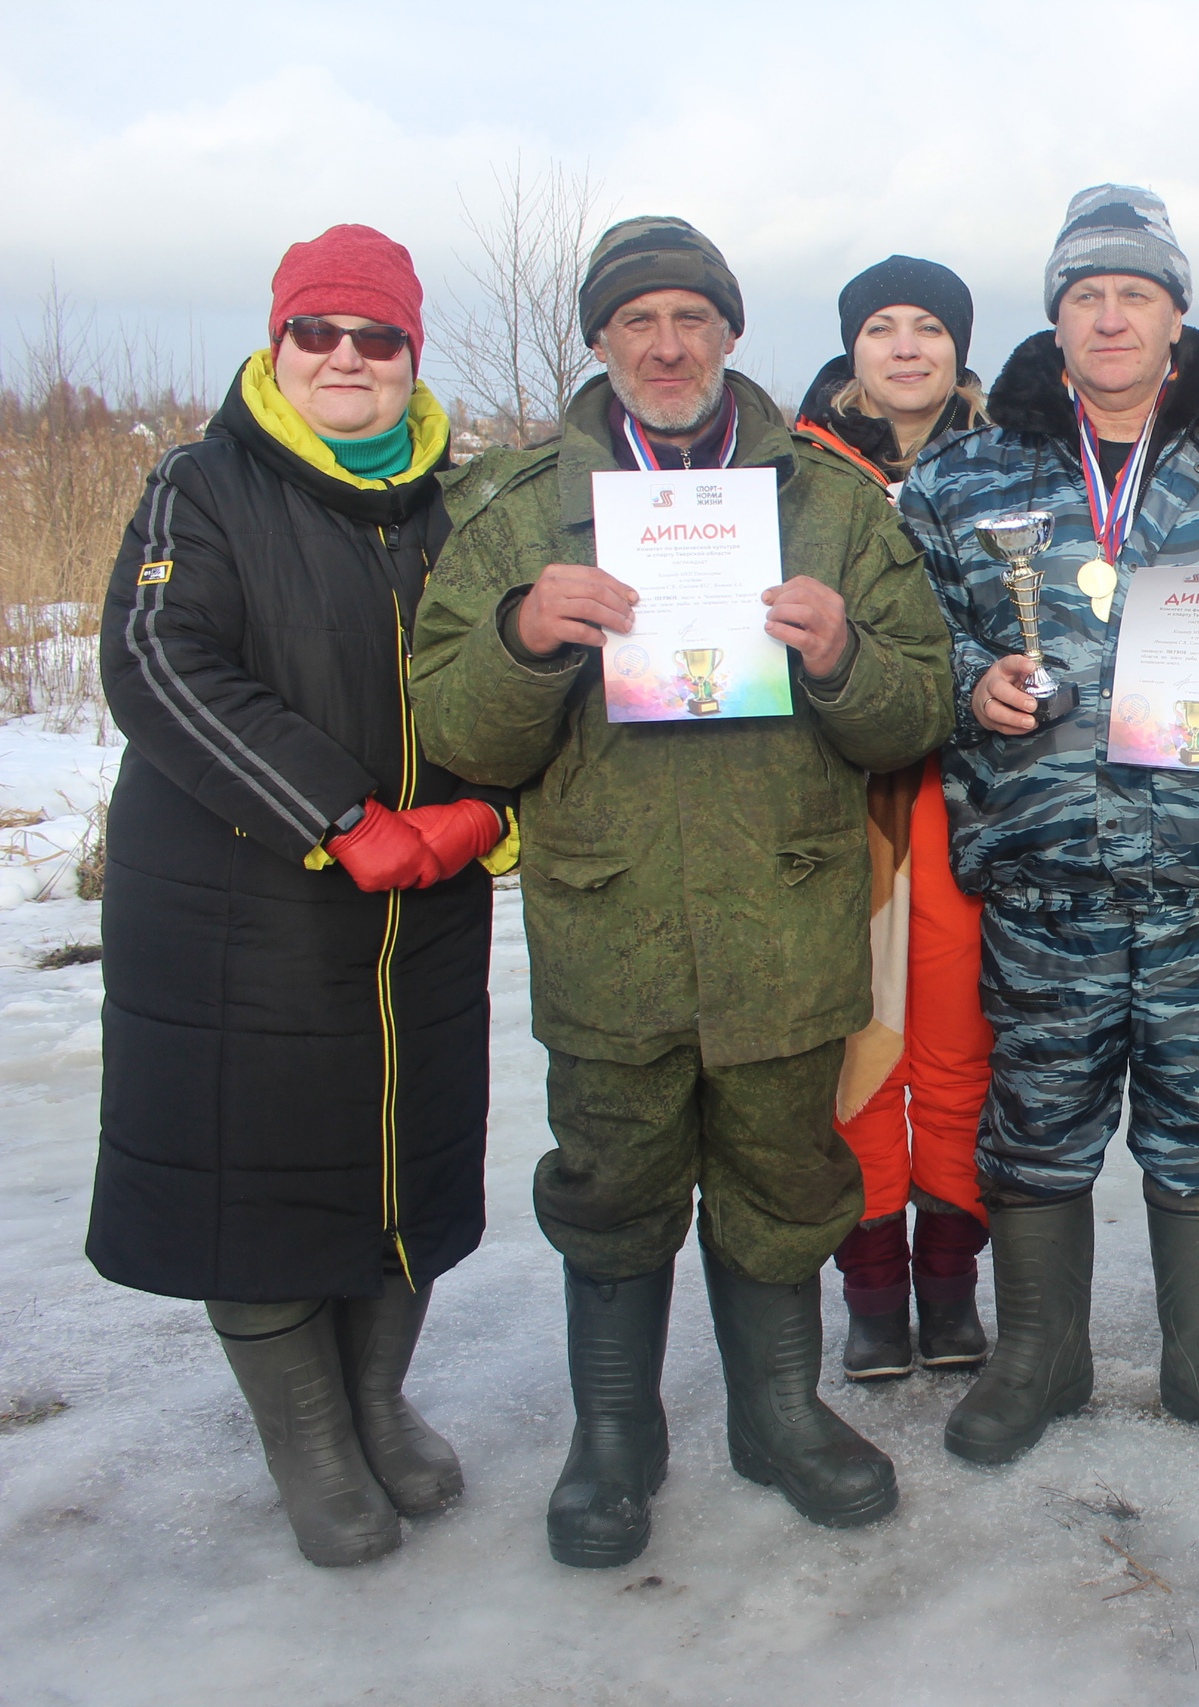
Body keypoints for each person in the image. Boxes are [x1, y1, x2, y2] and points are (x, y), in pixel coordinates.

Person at [409, 217, 956, 1565]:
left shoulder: (830, 504)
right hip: (613, 927)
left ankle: (779, 1414)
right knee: (612, 1185)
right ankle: (615, 1432)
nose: (666, 346)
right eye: (637, 320)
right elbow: (457, 733)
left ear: (730, 333)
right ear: (601, 340)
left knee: (785, 1174)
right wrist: (524, 636)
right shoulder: (516, 509)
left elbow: (917, 710)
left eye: (691, 319)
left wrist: (842, 656)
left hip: (787, 922)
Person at [900, 184, 1199, 1467]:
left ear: (1176, 317)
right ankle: (1041, 1355)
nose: (1109, 318)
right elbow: (904, 639)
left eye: (1134, 294)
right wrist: (964, 686)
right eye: (1085, 295)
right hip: (1045, 871)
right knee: (1037, 1116)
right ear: (1054, 319)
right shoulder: (962, 477)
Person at [91, 224, 509, 1566]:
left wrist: (493, 805)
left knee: (403, 1160)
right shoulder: (203, 485)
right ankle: (311, 1438)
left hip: (424, 899)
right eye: (315, 331)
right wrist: (336, 814)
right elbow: (160, 659)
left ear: (411, 355)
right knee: (258, 1168)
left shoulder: (458, 504)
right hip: (237, 904)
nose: (345, 357)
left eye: (376, 336)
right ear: (277, 345)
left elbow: (509, 672)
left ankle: (377, 1399)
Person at [792, 255, 997, 1381]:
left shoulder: (1014, 456)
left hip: (970, 793)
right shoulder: (792, 471)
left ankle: (951, 1279)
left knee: (961, 1043)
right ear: (851, 347)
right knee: (860, 1043)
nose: (907, 346)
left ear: (960, 348)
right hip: (842, 796)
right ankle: (871, 1285)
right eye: (881, 327)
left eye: (929, 326)